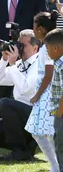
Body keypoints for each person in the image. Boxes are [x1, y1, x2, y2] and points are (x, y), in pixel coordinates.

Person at [0, 30, 41, 161]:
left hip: (35, 116)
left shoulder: (40, 65)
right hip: (17, 117)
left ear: (35, 48)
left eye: (23, 46)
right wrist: (4, 59)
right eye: (18, 45)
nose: (19, 49)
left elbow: (25, 88)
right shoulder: (18, 64)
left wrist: (12, 65)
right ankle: (28, 145)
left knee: (4, 103)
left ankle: (20, 151)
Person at [24, 11, 60, 172]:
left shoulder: (47, 48)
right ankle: (55, 165)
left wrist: (37, 95)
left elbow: (49, 73)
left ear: (40, 29)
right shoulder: (47, 47)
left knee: (49, 133)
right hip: (45, 95)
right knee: (41, 133)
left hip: (48, 95)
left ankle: (56, 166)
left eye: (34, 26)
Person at [44, 29, 63, 172]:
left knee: (60, 145)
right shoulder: (58, 62)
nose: (47, 52)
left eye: (47, 49)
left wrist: (59, 113)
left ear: (55, 48)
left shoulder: (61, 64)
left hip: (61, 113)